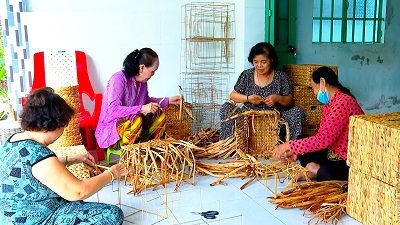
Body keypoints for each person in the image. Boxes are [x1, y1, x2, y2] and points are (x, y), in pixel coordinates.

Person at [0, 87, 128, 224]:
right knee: (112, 214)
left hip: (9, 217)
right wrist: (112, 173)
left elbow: (32, 171)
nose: (63, 130)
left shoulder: (13, 140)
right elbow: (78, 191)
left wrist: (73, 159)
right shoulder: (38, 153)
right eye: (64, 125)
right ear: (53, 124)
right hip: (39, 219)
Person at [272, 66, 364, 181]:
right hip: (331, 153)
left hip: (347, 159)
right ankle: (313, 168)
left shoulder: (344, 102)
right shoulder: (330, 103)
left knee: (327, 173)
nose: (314, 93)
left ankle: (315, 170)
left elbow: (323, 140)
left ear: (322, 82)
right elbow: (320, 138)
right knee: (301, 138)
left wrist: (288, 145)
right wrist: (297, 149)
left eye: (313, 88)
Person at [95, 48, 182, 151]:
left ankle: (153, 151)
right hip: (112, 130)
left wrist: (168, 100)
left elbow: (146, 102)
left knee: (159, 115)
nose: (153, 75)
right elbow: (113, 110)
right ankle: (131, 156)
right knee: (136, 120)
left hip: (134, 128)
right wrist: (141, 109)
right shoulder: (118, 79)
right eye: (152, 72)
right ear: (142, 68)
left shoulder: (142, 83)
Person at [219, 42, 305, 140]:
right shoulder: (247, 75)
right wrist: (248, 98)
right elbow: (233, 95)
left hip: (275, 119)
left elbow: (290, 101)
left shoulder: (281, 76)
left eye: (263, 62)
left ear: (271, 60)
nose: (259, 65)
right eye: (255, 62)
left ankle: (290, 147)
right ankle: (229, 144)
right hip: (248, 118)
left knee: (298, 112)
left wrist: (278, 98)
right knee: (226, 108)